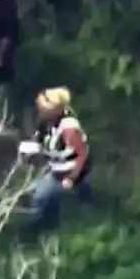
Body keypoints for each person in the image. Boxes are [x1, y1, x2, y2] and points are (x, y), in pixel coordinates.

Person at [28, 87, 91, 230]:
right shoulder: (45, 122)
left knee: (80, 198)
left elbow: (82, 154)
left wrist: (72, 177)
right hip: (56, 168)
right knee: (43, 198)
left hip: (74, 170)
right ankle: (45, 227)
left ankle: (87, 222)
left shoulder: (69, 128)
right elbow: (40, 140)